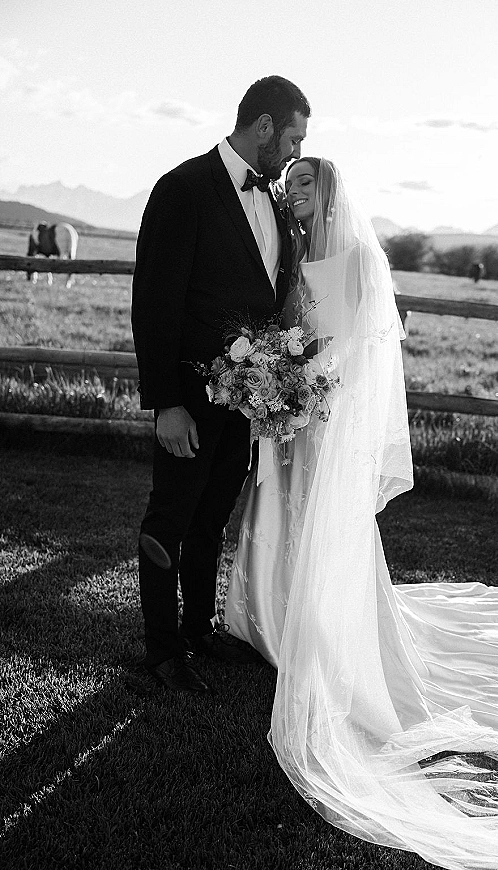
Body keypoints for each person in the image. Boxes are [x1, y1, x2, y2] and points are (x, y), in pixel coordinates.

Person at [224, 157, 498, 869]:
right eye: (285, 184)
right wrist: (275, 370)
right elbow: (292, 324)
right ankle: (265, 619)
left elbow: (361, 342)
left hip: (326, 410)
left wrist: (305, 384)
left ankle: (320, 632)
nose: (289, 195)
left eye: (299, 184)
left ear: (322, 190)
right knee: (284, 518)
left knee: (325, 526)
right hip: (295, 407)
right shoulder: (296, 253)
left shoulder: (356, 256)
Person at [131, 76, 310, 694]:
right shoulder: (183, 189)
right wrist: (166, 403)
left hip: (246, 402)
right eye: (291, 138)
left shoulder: (278, 202)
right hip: (188, 398)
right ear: (263, 126)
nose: (293, 152)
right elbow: (154, 304)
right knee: (170, 519)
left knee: (212, 520)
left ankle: (200, 628)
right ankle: (161, 649)